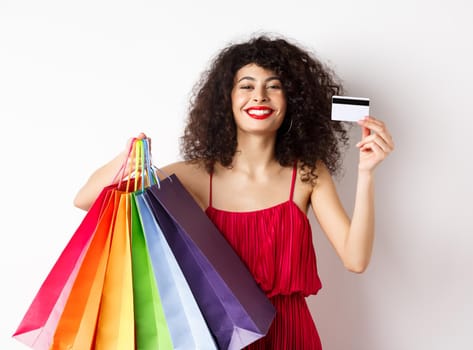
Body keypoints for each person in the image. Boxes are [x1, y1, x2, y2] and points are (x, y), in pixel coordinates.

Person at [74, 34, 394, 349]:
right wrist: (130, 154)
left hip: (293, 337)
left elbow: (355, 260)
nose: (260, 97)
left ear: (292, 100)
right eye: (247, 86)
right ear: (226, 99)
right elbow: (86, 199)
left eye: (274, 86)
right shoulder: (197, 176)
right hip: (224, 337)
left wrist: (366, 174)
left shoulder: (308, 173)